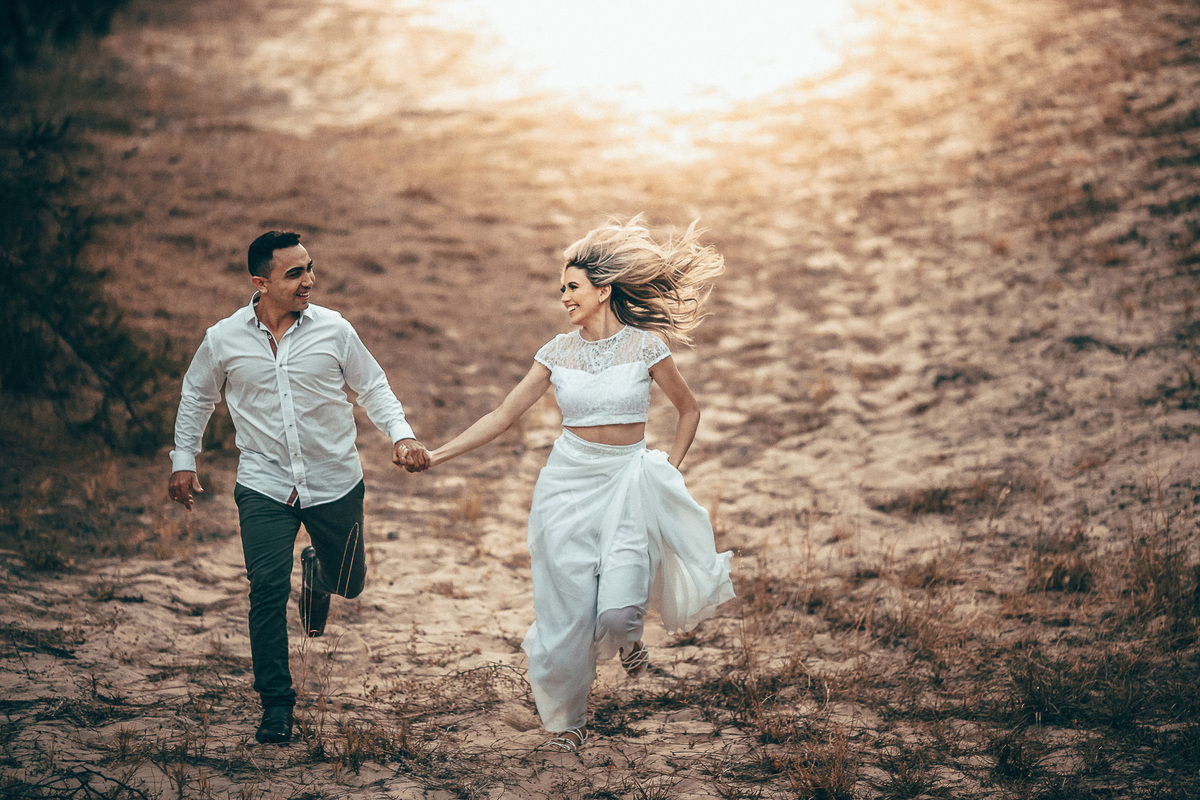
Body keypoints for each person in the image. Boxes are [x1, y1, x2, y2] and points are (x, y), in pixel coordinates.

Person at [409, 216, 734, 752]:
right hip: (566, 486)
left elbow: (689, 410)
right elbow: (502, 415)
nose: (564, 296)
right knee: (569, 609)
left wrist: (666, 470)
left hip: (628, 481)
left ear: (603, 291)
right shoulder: (556, 352)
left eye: (573, 287)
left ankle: (629, 640)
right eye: (561, 288)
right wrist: (437, 456)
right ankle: (566, 720)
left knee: (617, 612)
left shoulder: (646, 347)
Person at [168, 230, 430, 745]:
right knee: (264, 590)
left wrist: (401, 435)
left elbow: (371, 386)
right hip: (264, 485)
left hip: (334, 481)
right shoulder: (223, 339)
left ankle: (319, 571)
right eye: (295, 273)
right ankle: (276, 707)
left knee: (350, 582)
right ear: (260, 282)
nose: (308, 280)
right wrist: (183, 459)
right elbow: (197, 396)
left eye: (310, 269)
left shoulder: (334, 330)